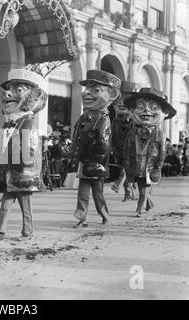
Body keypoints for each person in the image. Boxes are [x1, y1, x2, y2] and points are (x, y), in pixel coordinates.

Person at [0, 68, 48, 241]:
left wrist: (19, 165)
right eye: (8, 89)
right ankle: (0, 231)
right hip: (11, 172)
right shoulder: (10, 122)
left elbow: (29, 149)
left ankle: (28, 231)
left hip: (22, 173)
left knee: (25, 206)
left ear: (31, 97)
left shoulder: (27, 122)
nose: (8, 93)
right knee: (5, 204)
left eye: (18, 90)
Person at [71, 70, 121, 228]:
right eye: (87, 89)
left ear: (111, 94)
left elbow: (103, 143)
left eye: (96, 90)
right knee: (83, 193)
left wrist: (96, 161)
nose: (87, 93)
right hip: (84, 162)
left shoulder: (103, 119)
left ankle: (104, 215)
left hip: (95, 164)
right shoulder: (85, 116)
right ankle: (81, 217)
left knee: (98, 194)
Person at [124, 88, 177, 216]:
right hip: (137, 166)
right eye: (141, 107)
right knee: (142, 189)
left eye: (153, 108)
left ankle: (139, 209)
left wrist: (158, 167)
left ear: (164, 113)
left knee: (143, 191)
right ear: (132, 110)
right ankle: (149, 204)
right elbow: (127, 150)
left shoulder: (159, 133)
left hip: (150, 166)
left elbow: (162, 152)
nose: (146, 111)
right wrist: (127, 166)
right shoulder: (132, 133)